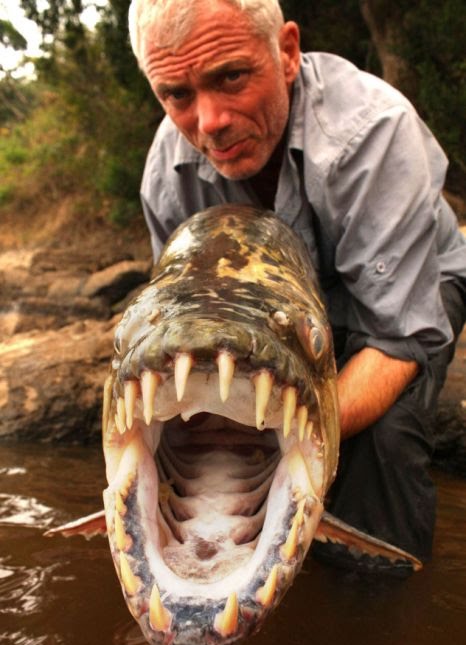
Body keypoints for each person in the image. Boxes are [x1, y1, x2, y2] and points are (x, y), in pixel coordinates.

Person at [128, 0, 466, 572]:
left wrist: (284, 434)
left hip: (401, 293)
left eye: (230, 77)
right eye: (176, 95)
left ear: (285, 52)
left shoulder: (372, 132)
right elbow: (180, 325)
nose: (208, 122)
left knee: (381, 444)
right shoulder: (168, 170)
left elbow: (398, 335)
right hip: (278, 317)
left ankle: (377, 612)